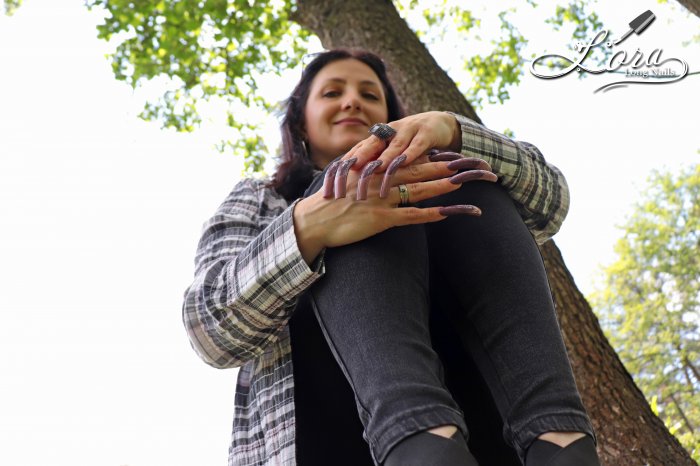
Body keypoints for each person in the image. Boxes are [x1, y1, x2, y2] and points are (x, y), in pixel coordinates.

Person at [182, 48, 601, 466]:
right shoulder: (258, 200)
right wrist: (308, 226)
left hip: (494, 442)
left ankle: (561, 443)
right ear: (301, 125)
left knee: (463, 174)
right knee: (354, 185)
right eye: (331, 92)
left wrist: (454, 131)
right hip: (321, 444)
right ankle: (423, 446)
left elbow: (550, 204)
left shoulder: (445, 165)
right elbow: (210, 330)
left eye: (370, 93)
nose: (352, 101)